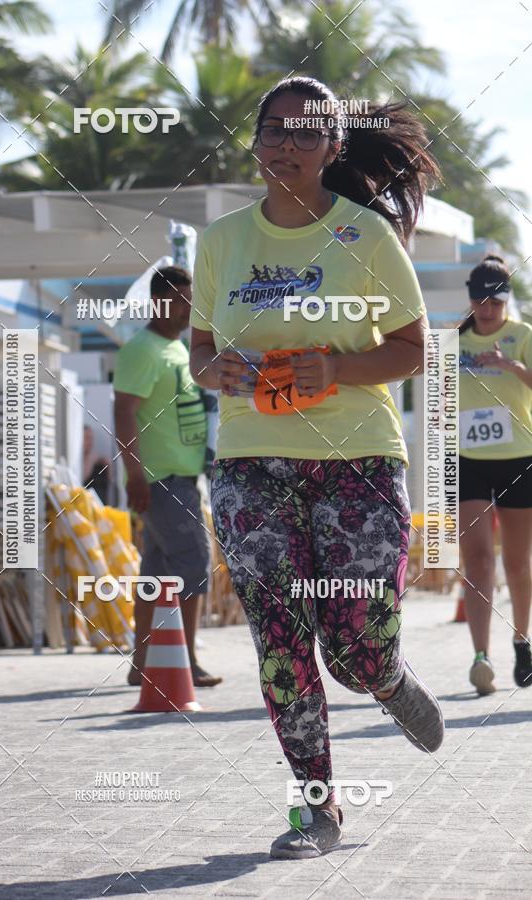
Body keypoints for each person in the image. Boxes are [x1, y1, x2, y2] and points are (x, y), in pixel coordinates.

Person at [189, 75, 444, 859]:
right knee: (280, 638)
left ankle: (388, 677)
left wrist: (332, 373)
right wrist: (219, 369)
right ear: (256, 142)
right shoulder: (221, 241)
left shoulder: (365, 237)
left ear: (335, 147)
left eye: (306, 133)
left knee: (353, 649)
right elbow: (199, 353)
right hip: (248, 463)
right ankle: (318, 808)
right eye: (274, 131)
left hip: (357, 459)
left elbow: (413, 348)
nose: (287, 145)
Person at [114, 265, 222, 688]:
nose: (189, 307)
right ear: (158, 302)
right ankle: (186, 662)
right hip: (161, 479)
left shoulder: (181, 349)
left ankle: (143, 664)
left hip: (181, 477)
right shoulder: (142, 349)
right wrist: (134, 475)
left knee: (157, 571)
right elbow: (123, 412)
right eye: (180, 300)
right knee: (195, 562)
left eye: (191, 299)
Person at [458, 255, 532, 695]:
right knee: (479, 560)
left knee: (517, 562)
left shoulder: (522, 336)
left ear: (506, 301)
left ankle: (522, 641)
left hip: (518, 457)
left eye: (496, 301)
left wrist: (513, 368)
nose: (487, 309)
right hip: (468, 459)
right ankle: (480, 656)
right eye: (480, 300)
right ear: (470, 297)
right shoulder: (452, 338)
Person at [82, 424, 111, 504]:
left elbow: (110, 481)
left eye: (91, 438)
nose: (90, 442)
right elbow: (82, 479)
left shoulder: (99, 462)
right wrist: (90, 460)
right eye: (86, 438)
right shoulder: (76, 461)